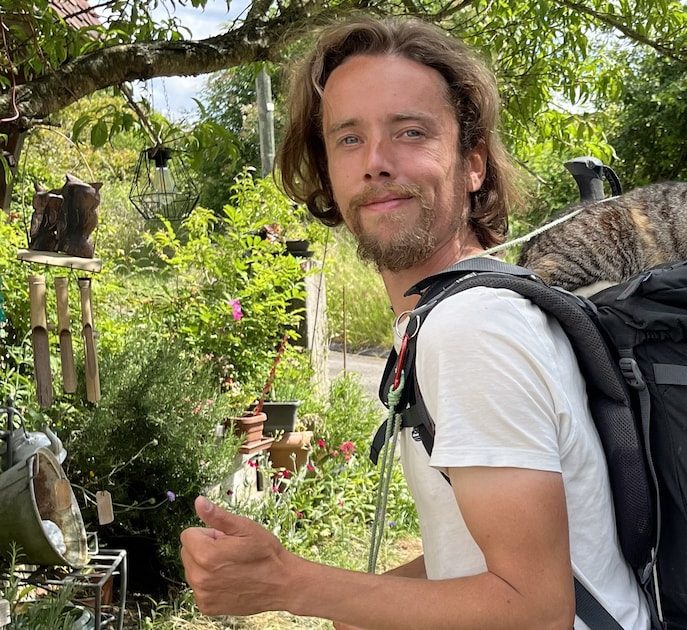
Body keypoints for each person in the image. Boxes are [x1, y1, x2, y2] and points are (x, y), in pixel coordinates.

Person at [179, 17, 650, 630]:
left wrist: (290, 583)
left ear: (472, 164)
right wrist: (345, 603)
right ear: (326, 171)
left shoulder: (472, 328)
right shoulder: (460, 311)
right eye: (348, 139)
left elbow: (536, 609)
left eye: (410, 132)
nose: (375, 162)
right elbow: (475, 559)